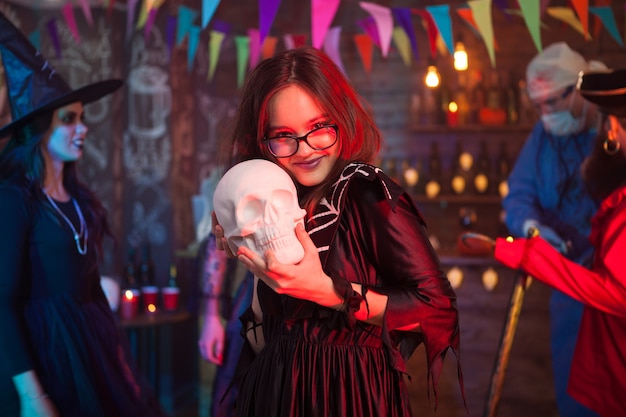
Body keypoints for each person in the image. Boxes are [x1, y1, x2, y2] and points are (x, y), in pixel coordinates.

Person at [213, 46, 463, 417]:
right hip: (277, 395)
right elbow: (266, 337)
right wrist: (251, 262)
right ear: (261, 141)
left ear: (341, 120)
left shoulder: (366, 193)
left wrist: (329, 292)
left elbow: (437, 309)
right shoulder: (276, 199)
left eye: (318, 127)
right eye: (284, 136)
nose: (307, 149)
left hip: (351, 397)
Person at [0, 13, 164, 417]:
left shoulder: (78, 198)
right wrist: (31, 395)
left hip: (92, 346)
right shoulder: (14, 198)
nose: (82, 128)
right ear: (39, 130)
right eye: (68, 119)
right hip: (43, 355)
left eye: (82, 117)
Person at [494, 68, 626, 417]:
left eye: (553, 101)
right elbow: (518, 195)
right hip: (569, 281)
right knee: (580, 393)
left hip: (599, 279)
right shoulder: (544, 136)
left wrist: (526, 256)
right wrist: (532, 227)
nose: (547, 112)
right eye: (539, 105)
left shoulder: (602, 138)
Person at [198, 230, 254, 417]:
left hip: (315, 310)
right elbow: (220, 231)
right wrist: (212, 315)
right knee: (233, 392)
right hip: (254, 297)